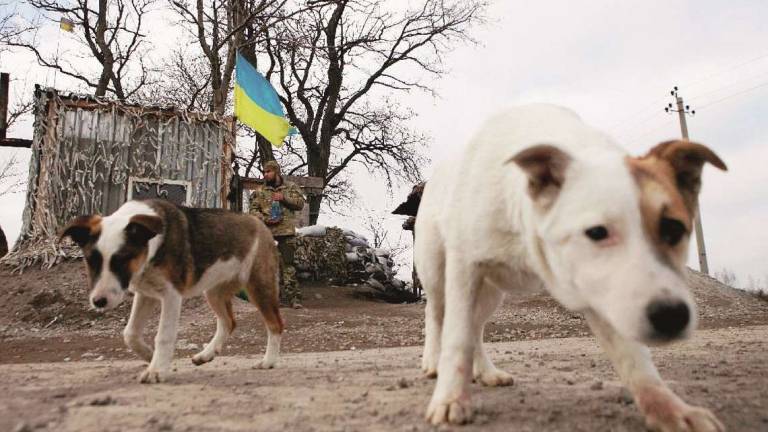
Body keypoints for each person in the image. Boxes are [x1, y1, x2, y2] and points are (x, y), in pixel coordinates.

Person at [249, 160, 306, 309]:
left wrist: (284, 198)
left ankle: (294, 299)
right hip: (267, 234)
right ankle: (274, 299)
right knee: (269, 267)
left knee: (288, 266)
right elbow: (253, 211)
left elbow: (300, 203)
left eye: (268, 171)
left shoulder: (290, 187)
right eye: (264, 172)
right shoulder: (260, 191)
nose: (265, 174)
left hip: (286, 233)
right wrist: (266, 219)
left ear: (276, 172)